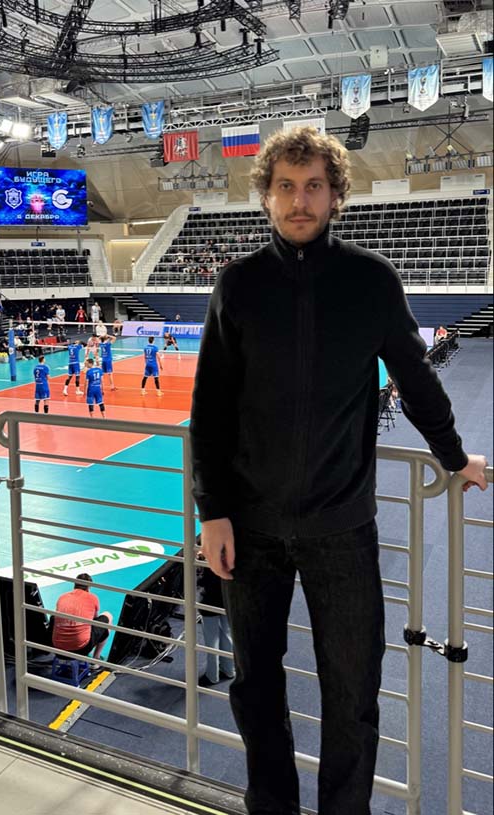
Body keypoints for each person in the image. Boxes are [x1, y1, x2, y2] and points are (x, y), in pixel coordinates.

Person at [189, 126, 489, 815]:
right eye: (286, 187)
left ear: (335, 196)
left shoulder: (371, 280)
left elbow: (416, 379)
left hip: (342, 530)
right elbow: (210, 408)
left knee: (352, 697)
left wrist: (453, 456)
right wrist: (213, 511)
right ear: (267, 195)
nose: (299, 201)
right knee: (256, 691)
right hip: (249, 529)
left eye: (313, 186)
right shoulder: (238, 285)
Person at [197, 544, 235, 688]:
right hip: (227, 600)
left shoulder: (212, 561)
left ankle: (212, 675)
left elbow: (202, 582)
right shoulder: (233, 556)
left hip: (210, 602)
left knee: (211, 640)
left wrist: (201, 559)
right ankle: (229, 669)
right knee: (226, 635)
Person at [52, 573, 113, 662]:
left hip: (57, 648)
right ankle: (96, 659)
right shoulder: (92, 597)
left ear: (75, 584)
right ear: (89, 587)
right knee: (108, 616)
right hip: (81, 649)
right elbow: (94, 619)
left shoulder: (62, 597)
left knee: (54, 617)